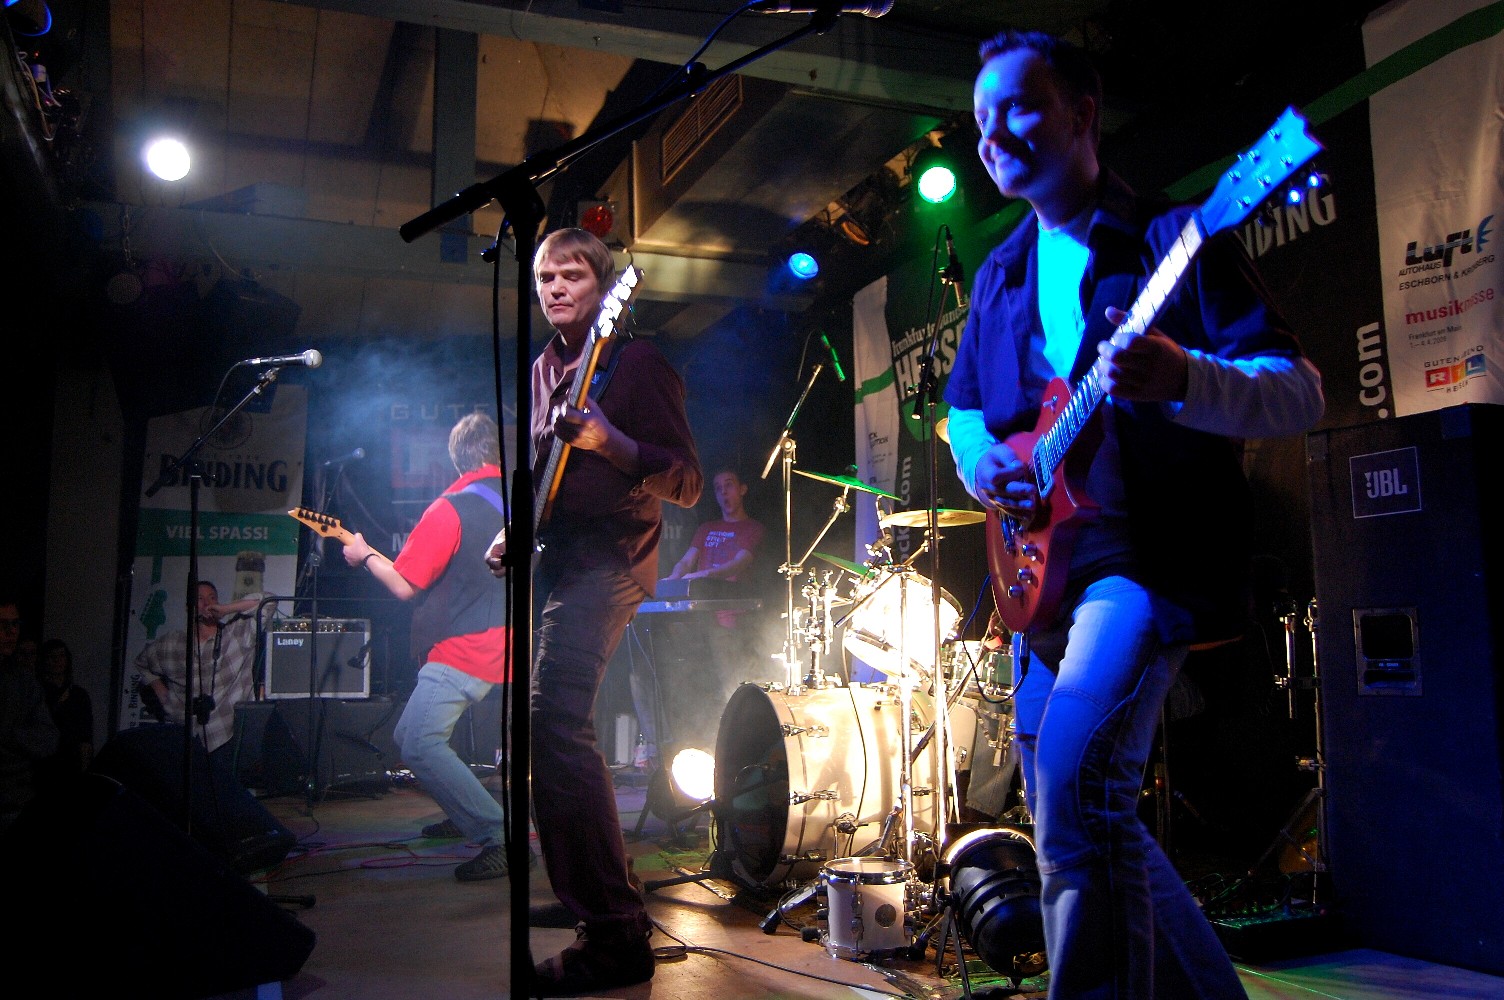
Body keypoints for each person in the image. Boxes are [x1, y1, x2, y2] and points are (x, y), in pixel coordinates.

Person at [943, 31, 1325, 1000]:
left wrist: (1185, 377)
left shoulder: (1172, 238)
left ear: (1084, 113)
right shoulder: (1000, 272)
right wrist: (987, 466)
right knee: (1076, 816)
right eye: (980, 119)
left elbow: (1301, 391)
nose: (992, 135)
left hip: (1141, 563)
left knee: (1078, 799)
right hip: (1042, 578)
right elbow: (963, 413)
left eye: (1016, 107)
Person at [486, 227, 701, 995]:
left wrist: (612, 443)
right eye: (545, 276)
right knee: (546, 729)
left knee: (554, 721)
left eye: (572, 274)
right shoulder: (546, 368)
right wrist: (517, 528)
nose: (554, 286)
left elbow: (686, 480)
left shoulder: (634, 363)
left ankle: (614, 934)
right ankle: (595, 890)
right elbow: (544, 470)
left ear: (605, 288)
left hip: (612, 556)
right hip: (558, 557)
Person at [338, 411, 510, 883]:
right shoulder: (518, 501)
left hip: (463, 646)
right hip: (504, 639)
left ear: (456, 458)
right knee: (415, 736)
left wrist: (364, 555)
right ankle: (467, 812)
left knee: (417, 742)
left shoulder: (450, 506)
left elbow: (404, 585)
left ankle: (498, 836)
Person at [134, 580, 271, 768]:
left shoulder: (236, 634)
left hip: (227, 739)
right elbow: (141, 662)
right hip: (184, 739)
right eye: (199, 599)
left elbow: (268, 602)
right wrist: (161, 693)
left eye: (212, 598)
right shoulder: (171, 643)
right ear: (188, 606)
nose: (207, 603)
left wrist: (226, 609)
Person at [0, 599, 58, 833]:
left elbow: (49, 739)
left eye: (15, 624)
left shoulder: (24, 682)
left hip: (15, 802)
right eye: (3, 624)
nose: (11, 632)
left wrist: (7, 736)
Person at [35, 638, 94, 793]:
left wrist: (85, 770)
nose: (57, 661)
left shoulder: (78, 694)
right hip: (43, 763)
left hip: (71, 762)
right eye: (52, 657)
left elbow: (85, 736)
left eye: (61, 656)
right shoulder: (36, 692)